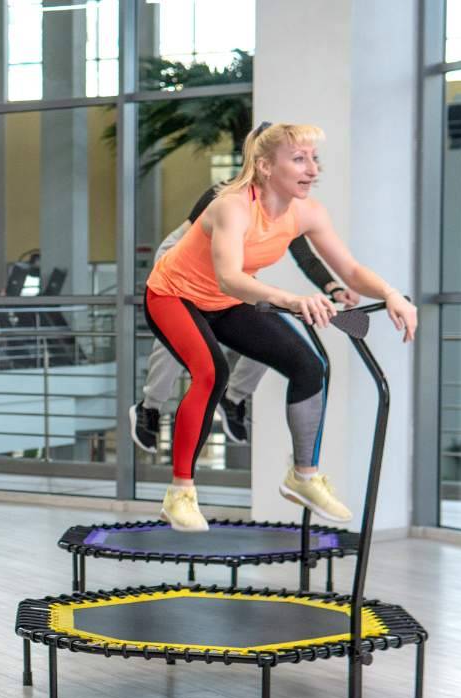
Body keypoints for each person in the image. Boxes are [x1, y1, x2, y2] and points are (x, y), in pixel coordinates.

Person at [144, 122, 416, 532]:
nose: (313, 169)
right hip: (172, 295)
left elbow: (352, 270)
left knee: (309, 366)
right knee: (211, 373)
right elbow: (230, 278)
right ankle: (180, 493)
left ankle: (303, 477)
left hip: (225, 304)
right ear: (266, 166)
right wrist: (293, 300)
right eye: (300, 159)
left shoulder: (308, 213)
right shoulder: (231, 205)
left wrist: (391, 292)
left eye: (314, 159)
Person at [131, 183, 360, 453]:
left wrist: (332, 287)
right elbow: (198, 245)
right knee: (182, 331)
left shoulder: (283, 210)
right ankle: (150, 407)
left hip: (228, 266)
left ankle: (234, 398)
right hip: (183, 257)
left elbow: (305, 256)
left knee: (266, 325)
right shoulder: (226, 197)